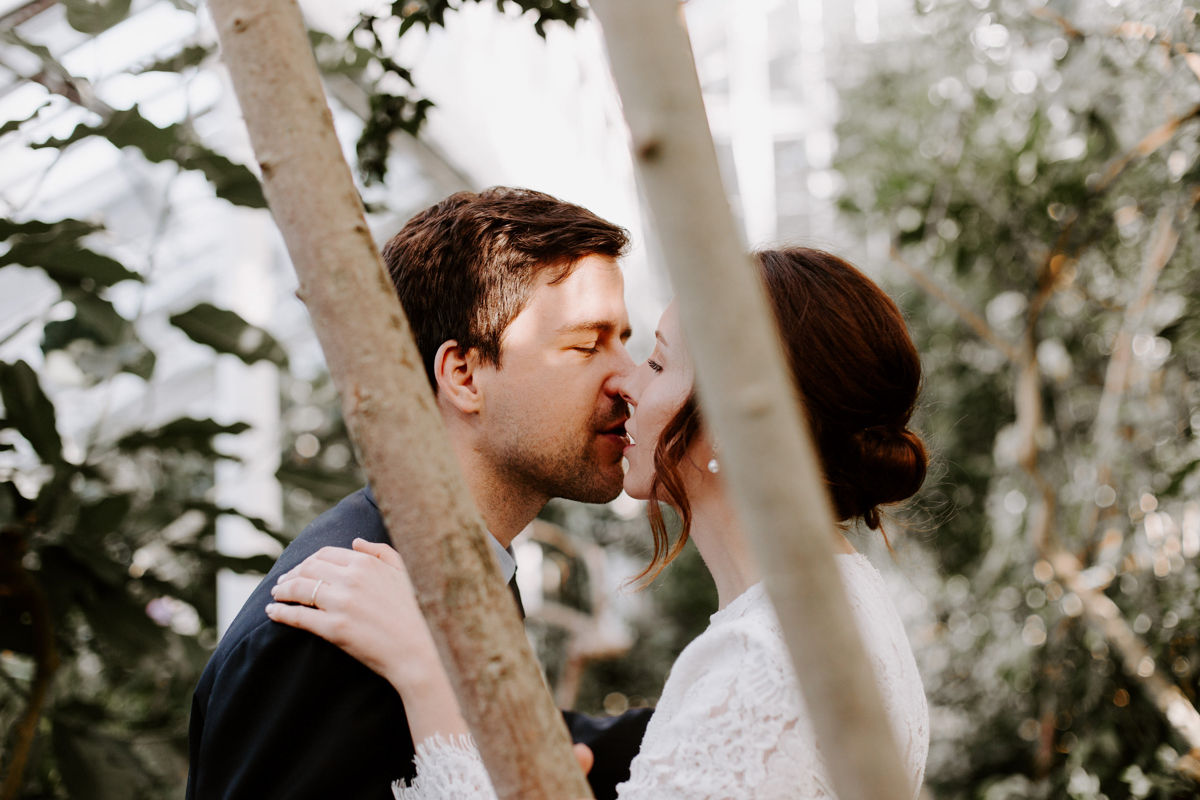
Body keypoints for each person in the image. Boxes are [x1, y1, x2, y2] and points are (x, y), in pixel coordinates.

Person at [267, 247, 932, 799]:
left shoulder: (769, 659)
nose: (628, 385)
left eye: (660, 362)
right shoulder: (838, 605)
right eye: (594, 346)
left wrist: (430, 673)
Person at [186, 188, 655, 800]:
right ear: (463, 375)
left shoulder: (468, 564)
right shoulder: (325, 623)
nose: (629, 378)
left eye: (625, 340)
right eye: (587, 346)